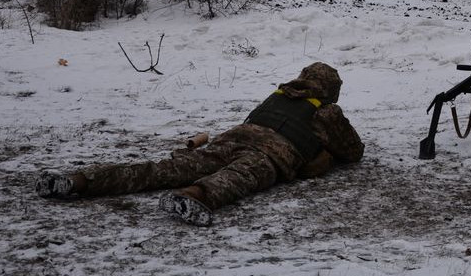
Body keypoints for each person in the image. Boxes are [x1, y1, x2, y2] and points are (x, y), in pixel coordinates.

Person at [35, 62, 363, 226]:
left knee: (162, 169)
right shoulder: (328, 111)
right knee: (236, 178)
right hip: (269, 154)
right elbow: (353, 152)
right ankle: (192, 197)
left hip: (230, 140)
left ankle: (79, 181)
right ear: (330, 90)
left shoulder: (278, 94)